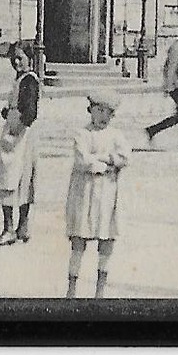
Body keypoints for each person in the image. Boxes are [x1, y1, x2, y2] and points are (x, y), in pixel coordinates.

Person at [65, 92, 130, 298]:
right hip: (84, 192)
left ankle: (100, 288)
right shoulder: (82, 133)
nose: (103, 116)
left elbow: (124, 156)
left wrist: (103, 158)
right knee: (79, 237)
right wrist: (105, 164)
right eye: (99, 110)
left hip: (107, 194)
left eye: (108, 112)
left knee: (106, 237)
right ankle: (72, 287)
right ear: (90, 110)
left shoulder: (116, 135)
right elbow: (83, 159)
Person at [0, 43, 42, 245]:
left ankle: (11, 227)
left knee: (10, 177)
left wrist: (15, 127)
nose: (16, 62)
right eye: (14, 59)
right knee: (19, 178)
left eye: (20, 58)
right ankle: (21, 227)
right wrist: (8, 112)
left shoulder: (29, 80)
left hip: (20, 135)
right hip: (18, 131)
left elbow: (30, 111)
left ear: (30, 58)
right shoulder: (22, 79)